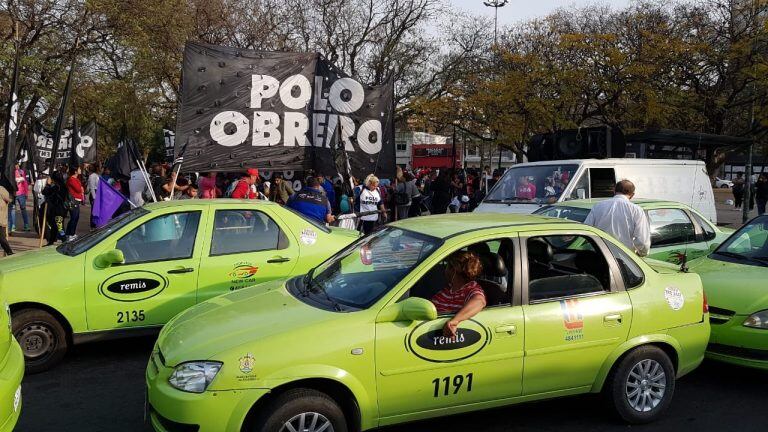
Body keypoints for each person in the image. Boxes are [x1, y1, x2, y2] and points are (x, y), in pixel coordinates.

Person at [584, 180, 651, 257]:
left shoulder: (598, 206)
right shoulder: (636, 210)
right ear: (632, 195)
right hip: (625, 257)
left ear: (614, 191)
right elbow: (642, 240)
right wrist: (642, 253)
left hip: (600, 253)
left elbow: (587, 229)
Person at [430, 251, 486, 337]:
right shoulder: (449, 289)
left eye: (447, 266)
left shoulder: (471, 288)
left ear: (454, 270)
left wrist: (455, 321)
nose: (445, 269)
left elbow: (479, 301)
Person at [42, 172, 68, 245]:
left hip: (58, 211)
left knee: (60, 227)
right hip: (60, 210)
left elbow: (45, 192)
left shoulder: (57, 187)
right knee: (54, 226)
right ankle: (51, 241)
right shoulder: (63, 186)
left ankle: (64, 241)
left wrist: (48, 184)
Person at [8, 163, 30, 232]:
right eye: (15, 164)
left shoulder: (21, 172)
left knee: (23, 209)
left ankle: (26, 225)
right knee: (12, 209)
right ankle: (12, 225)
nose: (17, 166)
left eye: (17, 164)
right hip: (13, 194)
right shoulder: (10, 172)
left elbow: (25, 183)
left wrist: (26, 193)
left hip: (21, 193)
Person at [65, 166, 85, 240]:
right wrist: (81, 189)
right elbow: (78, 189)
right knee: (74, 217)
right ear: (75, 171)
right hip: (73, 201)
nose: (80, 170)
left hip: (76, 200)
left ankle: (69, 233)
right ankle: (71, 234)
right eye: (79, 169)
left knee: (75, 217)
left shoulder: (76, 179)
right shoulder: (71, 179)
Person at [0, 184, 14, 255]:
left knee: (1, 237)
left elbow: (9, 199)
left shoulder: (1, 189)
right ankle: (9, 252)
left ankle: (9, 252)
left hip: (1, 218)